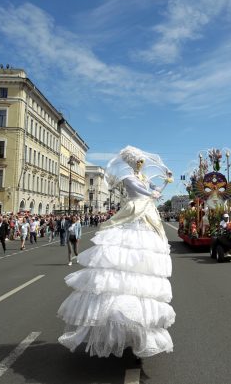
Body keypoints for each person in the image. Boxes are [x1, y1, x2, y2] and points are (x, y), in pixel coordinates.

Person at [58, 145, 175, 360]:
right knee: (122, 263)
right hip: (133, 214)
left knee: (142, 264)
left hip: (147, 217)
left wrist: (165, 181)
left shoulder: (141, 176)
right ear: (131, 163)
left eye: (141, 160)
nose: (141, 163)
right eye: (138, 160)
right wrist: (158, 190)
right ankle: (116, 328)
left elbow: (153, 190)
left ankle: (138, 332)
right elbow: (147, 194)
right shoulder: (129, 178)